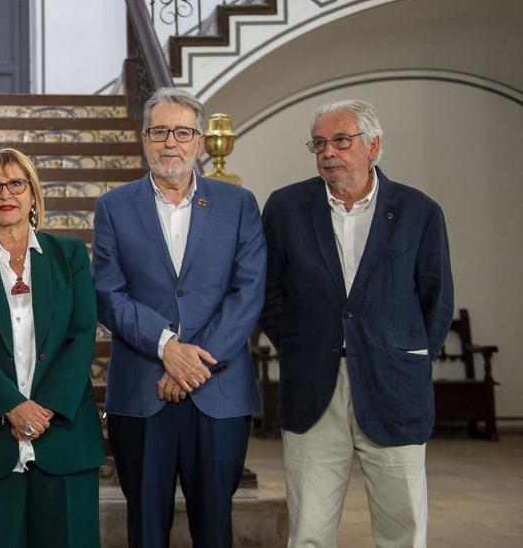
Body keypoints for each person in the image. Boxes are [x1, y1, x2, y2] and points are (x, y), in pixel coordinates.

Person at [260, 99, 453, 547]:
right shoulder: (286, 207)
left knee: (403, 528)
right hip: (313, 386)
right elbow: (270, 293)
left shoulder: (419, 210)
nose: (329, 152)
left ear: (373, 146)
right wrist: (297, 346)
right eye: (320, 143)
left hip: (394, 385)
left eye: (341, 141)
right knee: (308, 528)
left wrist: (407, 358)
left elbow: (436, 298)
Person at [92, 87, 266, 547]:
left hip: (219, 391)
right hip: (143, 389)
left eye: (182, 132)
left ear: (200, 140)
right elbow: (108, 292)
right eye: (160, 131)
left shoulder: (239, 204)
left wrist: (192, 364)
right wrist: (167, 348)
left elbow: (248, 292)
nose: (171, 142)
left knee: (215, 528)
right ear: (144, 138)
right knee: (146, 528)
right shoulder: (113, 206)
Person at [0, 148, 103, 547]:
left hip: (62, 433)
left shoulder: (70, 255)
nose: (4, 192)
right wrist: (11, 405)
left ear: (32, 194)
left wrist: (45, 410)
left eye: (15, 183)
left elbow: (81, 335)